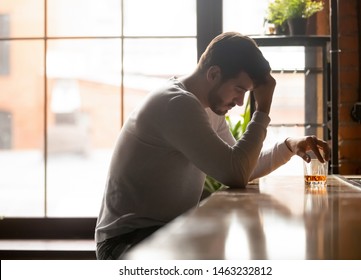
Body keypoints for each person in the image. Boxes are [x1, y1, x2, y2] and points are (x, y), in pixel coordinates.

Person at [95, 32, 330, 259]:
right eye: (239, 89)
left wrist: (288, 146)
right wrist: (263, 108)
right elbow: (235, 173)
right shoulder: (176, 103)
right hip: (127, 241)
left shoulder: (208, 108)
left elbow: (244, 167)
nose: (239, 102)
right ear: (214, 74)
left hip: (167, 230)